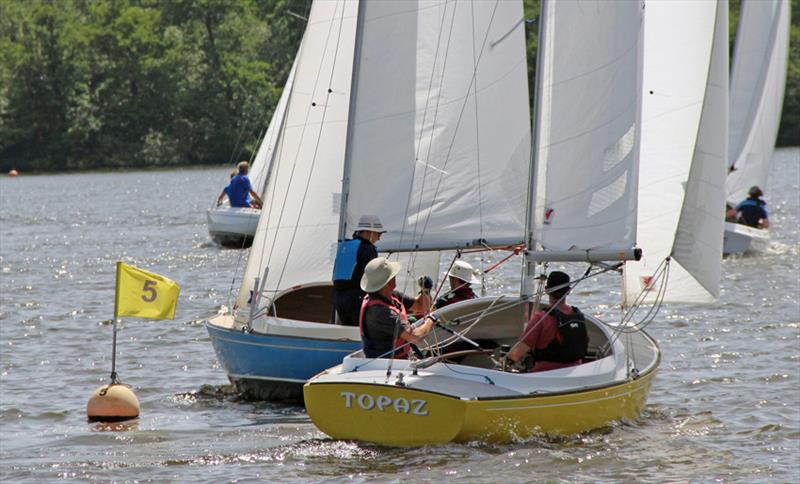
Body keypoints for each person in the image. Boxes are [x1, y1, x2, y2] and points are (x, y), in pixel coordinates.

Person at [506, 271, 588, 372]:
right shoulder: (577, 315)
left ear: (546, 290)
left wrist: (504, 363)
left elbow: (518, 353)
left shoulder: (540, 318)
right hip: (575, 372)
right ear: (568, 291)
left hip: (545, 374)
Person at [359, 257, 436, 359]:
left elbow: (422, 306)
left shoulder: (391, 295)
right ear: (389, 281)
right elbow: (416, 337)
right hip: (383, 365)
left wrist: (425, 290)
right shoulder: (379, 312)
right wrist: (431, 320)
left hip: (400, 361)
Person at [332, 215, 386, 326]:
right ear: (368, 231)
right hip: (357, 299)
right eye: (378, 233)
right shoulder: (367, 248)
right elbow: (373, 277)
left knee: (347, 332)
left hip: (338, 297)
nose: (379, 237)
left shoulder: (344, 246)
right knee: (361, 332)